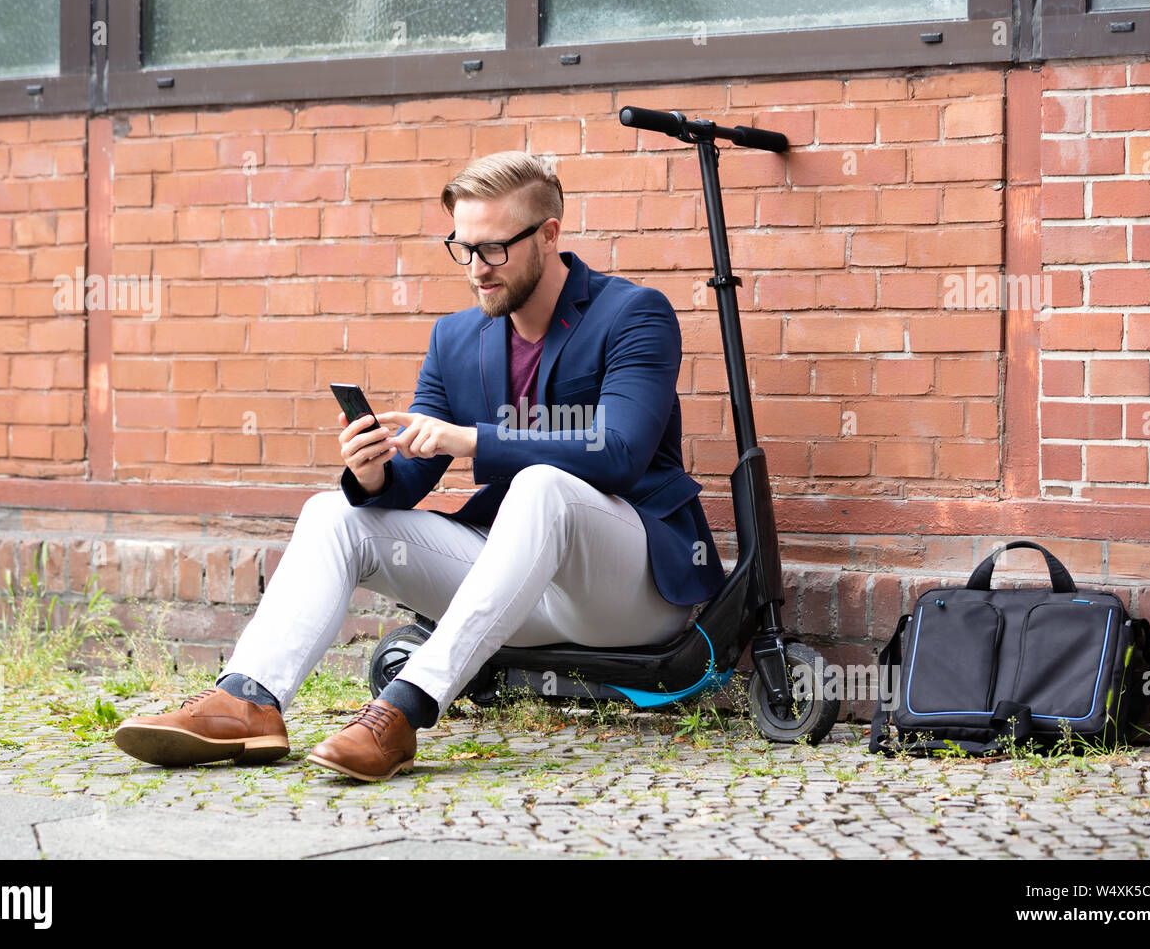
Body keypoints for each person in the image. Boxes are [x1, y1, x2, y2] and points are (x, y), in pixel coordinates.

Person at [113, 151, 726, 781]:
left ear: (548, 233)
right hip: (515, 590)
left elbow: (620, 452)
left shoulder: (633, 314)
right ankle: (249, 701)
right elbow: (412, 476)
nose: (477, 269)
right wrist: (374, 471)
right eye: (462, 248)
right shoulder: (455, 338)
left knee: (545, 486)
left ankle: (403, 708)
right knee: (333, 512)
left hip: (631, 587)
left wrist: (474, 439)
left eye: (494, 249)